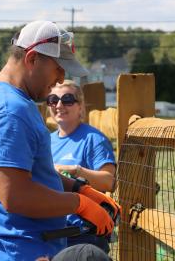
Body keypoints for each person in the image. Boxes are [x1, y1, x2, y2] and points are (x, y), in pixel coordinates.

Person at [0, 20, 120, 261]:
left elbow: (30, 173)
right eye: (58, 67)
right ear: (33, 58)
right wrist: (79, 204)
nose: (61, 78)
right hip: (20, 250)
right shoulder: (9, 110)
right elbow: (16, 195)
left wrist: (81, 189)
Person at [48, 80, 117, 252]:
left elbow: (109, 182)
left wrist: (74, 170)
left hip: (84, 236)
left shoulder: (93, 139)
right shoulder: (47, 140)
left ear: (80, 106)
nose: (59, 105)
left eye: (68, 99)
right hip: (52, 235)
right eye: (53, 99)